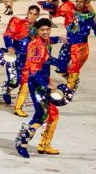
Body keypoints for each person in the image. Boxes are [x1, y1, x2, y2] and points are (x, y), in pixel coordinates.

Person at [15, 18, 66, 158]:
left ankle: (44, 144)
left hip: (45, 81)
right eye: (42, 30)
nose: (45, 32)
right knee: (42, 113)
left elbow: (50, 45)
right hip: (36, 83)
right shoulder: (35, 45)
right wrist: (46, 84)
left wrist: (60, 39)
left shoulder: (46, 41)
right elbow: (33, 69)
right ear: (37, 31)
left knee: (53, 114)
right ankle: (22, 140)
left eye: (48, 29)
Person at [51, 0, 96, 99]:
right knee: (60, 66)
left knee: (74, 69)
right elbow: (57, 12)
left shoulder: (90, 16)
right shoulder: (69, 10)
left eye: (81, 2)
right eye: (77, 1)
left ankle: (68, 92)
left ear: (86, 3)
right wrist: (51, 8)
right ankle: (73, 80)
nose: (78, 4)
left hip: (81, 46)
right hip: (68, 43)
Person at [0, 5, 39, 109]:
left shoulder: (38, 28)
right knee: (14, 80)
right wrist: (9, 46)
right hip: (15, 57)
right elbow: (7, 35)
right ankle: (7, 89)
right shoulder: (18, 23)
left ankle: (20, 102)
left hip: (29, 59)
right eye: (30, 13)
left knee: (25, 80)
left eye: (35, 14)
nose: (32, 16)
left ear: (38, 16)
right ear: (27, 13)